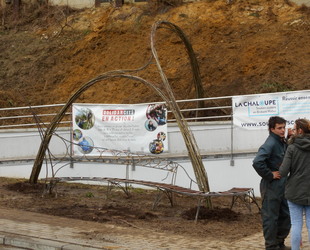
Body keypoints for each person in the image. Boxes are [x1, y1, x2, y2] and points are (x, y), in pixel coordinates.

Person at [253, 116, 291, 250]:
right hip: (271, 186)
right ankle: (271, 246)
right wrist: (269, 174)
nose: (282, 130)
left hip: (282, 185)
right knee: (271, 218)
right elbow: (257, 162)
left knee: (285, 216)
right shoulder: (270, 143)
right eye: (279, 128)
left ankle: (280, 243)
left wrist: (289, 138)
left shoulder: (281, 141)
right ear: (272, 129)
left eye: (284, 127)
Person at [279, 119, 310, 250]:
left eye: (294, 128)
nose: (292, 130)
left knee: (296, 224)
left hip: (294, 191)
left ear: (300, 131)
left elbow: (283, 171)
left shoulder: (292, 148)